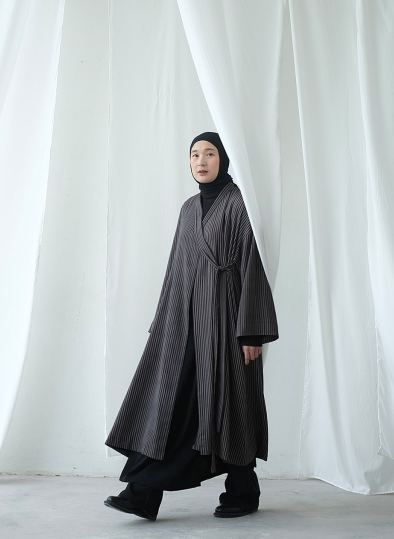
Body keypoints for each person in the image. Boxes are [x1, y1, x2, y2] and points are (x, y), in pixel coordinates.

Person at [104, 131, 279, 521]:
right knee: (170, 401)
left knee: (233, 401)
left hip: (228, 321)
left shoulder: (240, 203)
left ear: (224, 159)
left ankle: (242, 490)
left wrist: (252, 330)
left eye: (210, 154)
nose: (201, 161)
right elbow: (176, 269)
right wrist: (164, 322)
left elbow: (253, 264)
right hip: (185, 324)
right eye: (195, 154)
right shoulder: (187, 209)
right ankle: (142, 493)